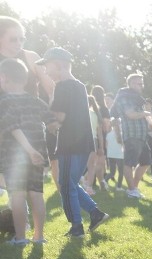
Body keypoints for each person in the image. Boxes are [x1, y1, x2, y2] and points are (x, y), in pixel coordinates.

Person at [37, 47, 108, 238]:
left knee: (65, 185)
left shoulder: (62, 87)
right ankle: (95, 213)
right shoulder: (79, 85)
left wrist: (43, 114)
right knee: (70, 183)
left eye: (47, 66)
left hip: (69, 144)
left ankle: (76, 227)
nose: (46, 71)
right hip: (85, 143)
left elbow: (58, 119)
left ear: (59, 65)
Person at [0, 57, 55, 244]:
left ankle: (21, 237)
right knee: (36, 193)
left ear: (4, 78)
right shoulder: (35, 101)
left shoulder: (4, 102)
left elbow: (14, 127)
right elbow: (52, 121)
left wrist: (29, 150)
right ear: (24, 80)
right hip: (38, 154)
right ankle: (39, 237)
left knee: (17, 194)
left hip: (15, 156)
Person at [111, 74, 152, 199]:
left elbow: (137, 114)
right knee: (129, 163)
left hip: (141, 135)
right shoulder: (124, 97)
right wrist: (146, 113)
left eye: (142, 83)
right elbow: (131, 114)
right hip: (131, 135)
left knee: (146, 162)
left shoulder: (136, 98)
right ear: (129, 84)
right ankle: (131, 190)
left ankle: (133, 188)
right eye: (138, 83)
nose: (141, 86)